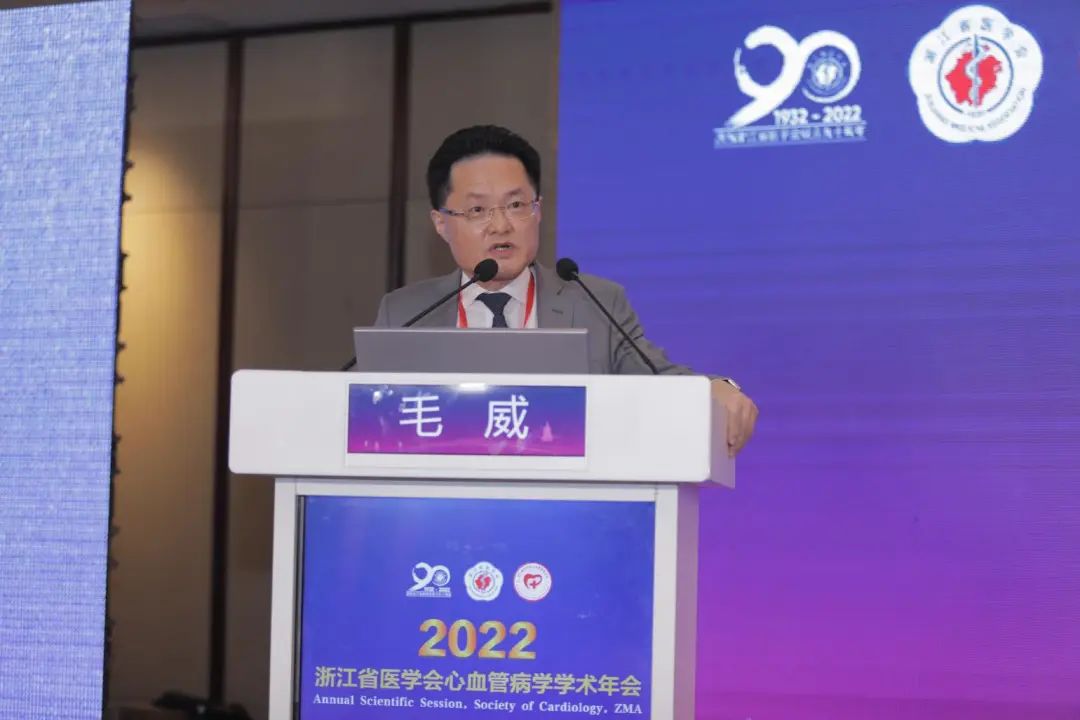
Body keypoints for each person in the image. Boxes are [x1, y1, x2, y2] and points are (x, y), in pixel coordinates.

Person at [374, 125, 758, 456]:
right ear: (441, 223)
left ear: (538, 210)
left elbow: (660, 380)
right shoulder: (404, 313)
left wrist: (717, 388)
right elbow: (369, 420)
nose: (501, 225)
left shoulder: (596, 303)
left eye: (516, 204)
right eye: (478, 211)